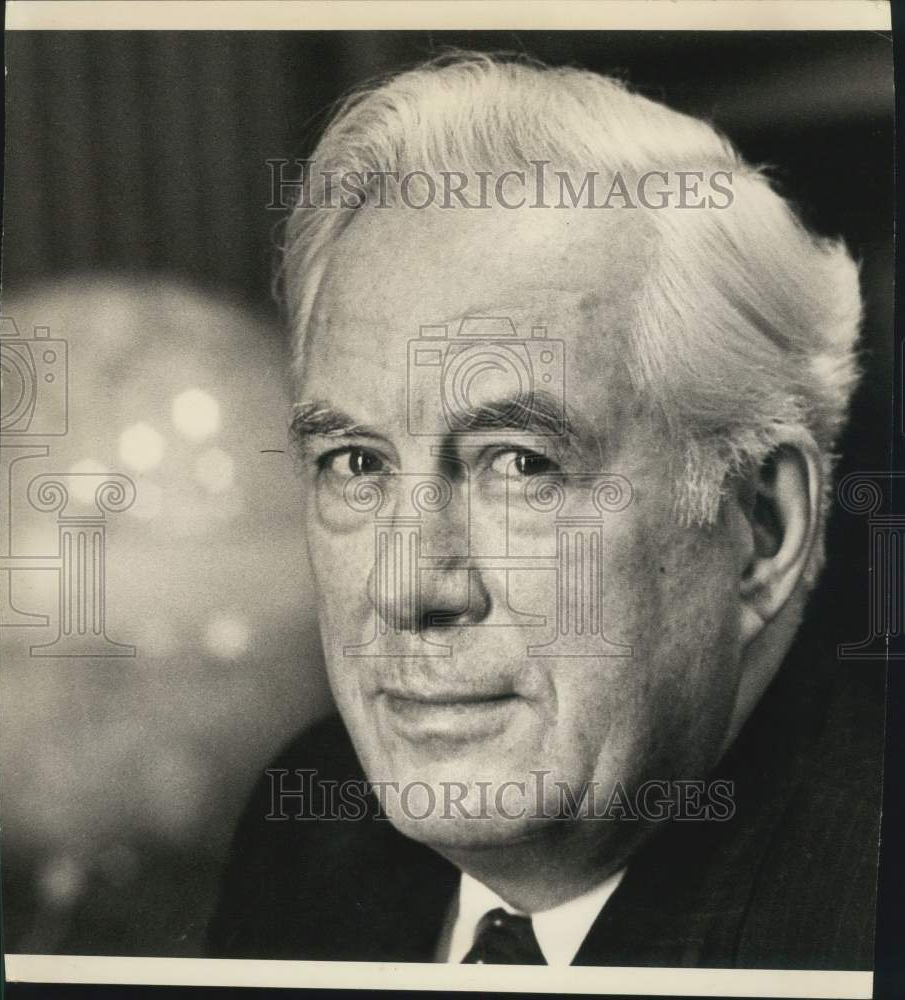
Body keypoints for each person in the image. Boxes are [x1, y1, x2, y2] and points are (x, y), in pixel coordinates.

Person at [207, 53, 883, 968]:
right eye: (356, 461)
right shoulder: (312, 823)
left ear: (760, 530)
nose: (410, 588)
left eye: (521, 465)